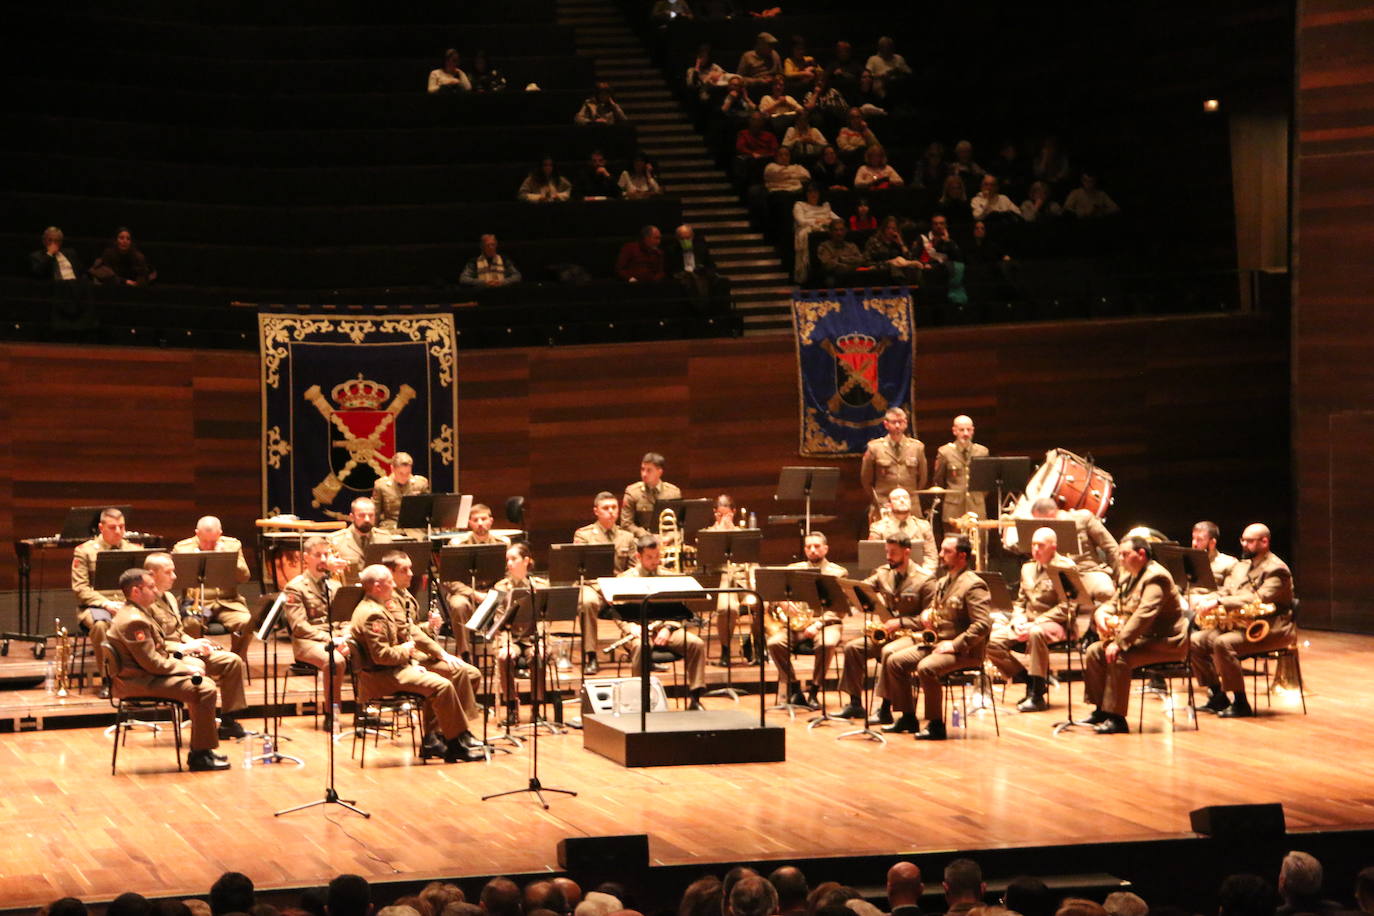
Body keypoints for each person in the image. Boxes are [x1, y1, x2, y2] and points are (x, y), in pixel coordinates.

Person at [351, 563, 485, 761]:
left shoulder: (377, 607)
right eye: (389, 583)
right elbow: (381, 656)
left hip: (394, 669)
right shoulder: (373, 614)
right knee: (442, 685)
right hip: (381, 676)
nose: (393, 586)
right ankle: (456, 742)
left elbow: (399, 638)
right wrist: (406, 653)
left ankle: (450, 737)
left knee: (446, 680)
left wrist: (411, 660)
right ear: (378, 586)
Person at [106, 568, 232, 771]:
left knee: (202, 680)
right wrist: (185, 669)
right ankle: (200, 755)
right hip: (139, 682)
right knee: (204, 688)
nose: (156, 591)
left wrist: (186, 663)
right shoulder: (133, 621)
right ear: (136, 591)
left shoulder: (137, 613)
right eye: (151, 586)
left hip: (145, 676)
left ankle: (203, 751)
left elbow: (156, 655)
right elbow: (152, 663)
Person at [880, 536, 991, 740]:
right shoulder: (942, 582)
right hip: (937, 643)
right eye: (941, 550)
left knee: (926, 667)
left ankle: (936, 724)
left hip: (965, 650)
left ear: (962, 556)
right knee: (895, 661)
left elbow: (982, 625)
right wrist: (927, 615)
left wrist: (955, 645)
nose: (940, 555)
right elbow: (937, 610)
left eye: (946, 551)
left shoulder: (974, 585)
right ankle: (908, 716)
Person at [1081, 536, 1187, 734]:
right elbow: (1115, 602)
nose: (1120, 559)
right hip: (1144, 639)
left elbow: (1144, 615)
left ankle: (1117, 718)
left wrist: (1120, 642)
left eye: (1125, 554)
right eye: (1119, 554)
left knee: (1118, 657)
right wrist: (1101, 612)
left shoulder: (1157, 578)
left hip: (1165, 643)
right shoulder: (1129, 574)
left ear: (1141, 554)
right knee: (1095, 651)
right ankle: (1101, 709)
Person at [1189, 523, 1296, 717]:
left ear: (1265, 541)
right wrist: (1205, 599)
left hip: (1271, 628)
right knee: (1195, 641)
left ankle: (1240, 702)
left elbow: (1258, 598)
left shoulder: (1277, 569)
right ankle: (1217, 696)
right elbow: (1228, 590)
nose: (1245, 545)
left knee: (1222, 643)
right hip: (1241, 624)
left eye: (1250, 541)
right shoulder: (1242, 565)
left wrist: (1219, 602)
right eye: (1243, 540)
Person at [141, 552, 249, 738]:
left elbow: (179, 631)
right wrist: (184, 648)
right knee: (199, 671)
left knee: (232, 661)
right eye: (168, 572)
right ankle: (202, 731)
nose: (174, 576)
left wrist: (196, 642)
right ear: (151, 574)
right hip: (169, 657)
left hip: (185, 651)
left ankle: (229, 720)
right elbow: (153, 644)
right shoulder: (145, 604)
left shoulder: (170, 598)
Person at [379, 549, 485, 738]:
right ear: (390, 572)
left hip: (417, 654)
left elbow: (412, 627)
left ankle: (443, 730)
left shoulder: (404, 594)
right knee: (460, 672)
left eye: (411, 569)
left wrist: (428, 626)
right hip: (406, 660)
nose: (411, 574)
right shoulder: (390, 599)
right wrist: (441, 653)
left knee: (474, 674)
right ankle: (456, 732)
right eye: (405, 570)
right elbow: (407, 632)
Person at [835, 533, 934, 723]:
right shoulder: (883, 573)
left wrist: (901, 622)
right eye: (887, 552)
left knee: (888, 653)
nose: (888, 556)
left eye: (893, 553)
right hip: (889, 632)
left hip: (913, 635)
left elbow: (930, 619)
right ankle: (855, 703)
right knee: (853, 648)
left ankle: (885, 708)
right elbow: (861, 588)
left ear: (907, 552)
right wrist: (841, 582)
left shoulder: (925, 580)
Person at [985, 527, 1076, 711]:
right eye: (1033, 544)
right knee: (991, 641)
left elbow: (1068, 606)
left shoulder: (1065, 567)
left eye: (1040, 545)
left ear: (1053, 547)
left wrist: (1035, 623)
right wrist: (1017, 620)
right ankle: (1031, 681)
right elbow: (1020, 602)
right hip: (1027, 622)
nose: (1035, 549)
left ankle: (1037, 696)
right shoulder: (1027, 568)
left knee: (1035, 633)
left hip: (1057, 624)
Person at [614, 536, 708, 710]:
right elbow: (617, 614)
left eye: (657, 556)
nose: (655, 561)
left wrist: (668, 628)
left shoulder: (669, 577)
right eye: (649, 557)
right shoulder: (625, 579)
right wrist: (631, 627)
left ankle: (695, 697)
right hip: (637, 630)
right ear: (638, 557)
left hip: (666, 629)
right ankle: (640, 699)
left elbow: (679, 610)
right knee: (641, 647)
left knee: (696, 644)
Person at [767, 531, 848, 710]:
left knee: (827, 644)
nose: (812, 550)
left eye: (817, 546)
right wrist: (782, 601)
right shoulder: (793, 569)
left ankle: (814, 690)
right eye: (809, 547)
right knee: (774, 643)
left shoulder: (838, 573)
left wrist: (818, 624)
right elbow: (774, 594)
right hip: (797, 625)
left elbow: (840, 610)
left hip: (826, 623)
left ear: (826, 549)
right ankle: (795, 688)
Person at [71, 506, 140, 697]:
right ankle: (108, 680)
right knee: (101, 625)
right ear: (101, 528)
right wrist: (106, 604)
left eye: (121, 526)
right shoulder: (84, 551)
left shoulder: (134, 550)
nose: (118, 531)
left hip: (127, 605)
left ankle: (141, 678)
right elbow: (80, 589)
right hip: (95, 607)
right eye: (113, 527)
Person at [281, 536, 351, 722]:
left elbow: (345, 618)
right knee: (334, 660)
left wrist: (346, 636)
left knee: (366, 650)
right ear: (306, 558)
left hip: (336, 637)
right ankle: (332, 714)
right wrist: (329, 640)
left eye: (325, 554)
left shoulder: (334, 585)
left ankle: (364, 712)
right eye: (317, 555)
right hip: (308, 642)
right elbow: (299, 627)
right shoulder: (295, 587)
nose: (322, 559)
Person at [171, 515, 254, 661]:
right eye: (205, 541)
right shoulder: (183, 548)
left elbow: (244, 577)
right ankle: (198, 662)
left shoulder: (232, 546)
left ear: (220, 534)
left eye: (213, 541)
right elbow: (175, 581)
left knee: (246, 622)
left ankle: (234, 661)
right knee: (191, 623)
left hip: (228, 601)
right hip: (196, 602)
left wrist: (227, 558)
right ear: (197, 533)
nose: (209, 545)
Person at [574, 491, 639, 673]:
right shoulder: (584, 535)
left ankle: (640, 650)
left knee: (644, 597)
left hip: (619, 587)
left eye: (614, 507)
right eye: (606, 508)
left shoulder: (627, 537)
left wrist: (616, 587)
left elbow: (634, 570)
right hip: (593, 587)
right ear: (596, 511)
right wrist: (605, 589)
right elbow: (582, 572)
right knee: (586, 602)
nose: (611, 511)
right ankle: (591, 656)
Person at [443, 502, 510, 659]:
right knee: (458, 605)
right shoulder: (457, 544)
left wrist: (494, 594)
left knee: (511, 600)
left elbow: (507, 574)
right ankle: (464, 653)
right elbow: (449, 579)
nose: (480, 523)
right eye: (475, 520)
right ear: (469, 523)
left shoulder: (503, 543)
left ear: (491, 521)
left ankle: (505, 651)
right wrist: (474, 594)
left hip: (493, 593)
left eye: (483, 519)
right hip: (466, 593)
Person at [1027, 497, 1119, 607]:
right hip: (1056, 574)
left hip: (1087, 571)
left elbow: (1111, 547)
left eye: (1040, 519)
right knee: (1034, 593)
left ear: (1052, 513)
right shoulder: (1044, 529)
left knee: (1105, 590)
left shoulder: (1083, 518)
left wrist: (1120, 579)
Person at [699, 494, 757, 666]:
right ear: (714, 513)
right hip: (720, 579)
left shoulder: (743, 534)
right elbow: (705, 562)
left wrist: (753, 579)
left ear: (734, 512)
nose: (723, 518)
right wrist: (720, 533)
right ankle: (725, 651)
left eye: (727, 515)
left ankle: (754, 644)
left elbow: (752, 561)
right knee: (727, 609)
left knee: (763, 604)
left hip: (741, 578)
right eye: (719, 515)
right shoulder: (707, 534)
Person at [860, 406, 927, 523]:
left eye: (900, 422)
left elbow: (922, 477)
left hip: (910, 503)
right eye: (894, 422)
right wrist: (878, 498)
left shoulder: (917, 447)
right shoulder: (875, 447)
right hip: (884, 503)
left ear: (906, 424)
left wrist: (909, 495)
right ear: (886, 424)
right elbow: (866, 479)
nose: (897, 426)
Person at [932, 415, 989, 534]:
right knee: (953, 545)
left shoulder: (982, 451)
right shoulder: (945, 452)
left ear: (973, 430)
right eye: (962, 430)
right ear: (954, 431)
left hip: (976, 506)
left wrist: (978, 496)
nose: (966, 433)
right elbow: (938, 480)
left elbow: (985, 481)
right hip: (953, 507)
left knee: (979, 546)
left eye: (969, 430)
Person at [328, 496, 393, 585]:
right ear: (351, 517)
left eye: (371, 515)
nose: (367, 519)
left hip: (378, 591)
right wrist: (329, 566)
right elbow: (328, 574)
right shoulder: (336, 540)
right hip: (350, 592)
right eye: (362, 515)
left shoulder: (385, 539)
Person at [664, 223, 726, 301]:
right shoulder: (672, 251)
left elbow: (711, 266)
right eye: (682, 239)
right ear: (677, 238)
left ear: (692, 236)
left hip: (700, 276)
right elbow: (670, 270)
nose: (685, 241)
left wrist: (703, 270)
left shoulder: (701, 248)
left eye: (687, 238)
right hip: (682, 279)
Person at [792, 183, 839, 282]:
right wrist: (818, 221)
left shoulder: (825, 206)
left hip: (825, 231)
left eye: (815, 191)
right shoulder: (799, 205)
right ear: (806, 193)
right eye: (810, 192)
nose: (813, 194)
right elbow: (801, 221)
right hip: (808, 232)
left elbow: (837, 220)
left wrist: (822, 221)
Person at [863, 216, 923, 283]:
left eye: (894, 229)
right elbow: (866, 262)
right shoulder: (874, 241)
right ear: (883, 229)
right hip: (880, 272)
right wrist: (888, 262)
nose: (891, 231)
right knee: (894, 266)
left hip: (900, 270)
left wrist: (901, 244)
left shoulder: (898, 242)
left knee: (915, 267)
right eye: (888, 228)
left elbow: (910, 258)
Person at [89, 227, 155, 286]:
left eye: (128, 239)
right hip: (113, 287)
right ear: (116, 240)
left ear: (131, 242)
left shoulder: (138, 257)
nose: (125, 241)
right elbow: (104, 274)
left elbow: (144, 275)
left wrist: (139, 282)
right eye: (121, 238)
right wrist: (124, 281)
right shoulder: (108, 254)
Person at [816, 219, 867, 286]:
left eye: (841, 230)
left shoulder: (851, 246)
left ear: (845, 231)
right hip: (834, 277)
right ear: (830, 232)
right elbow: (828, 265)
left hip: (852, 276)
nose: (839, 233)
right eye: (836, 230)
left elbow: (860, 260)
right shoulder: (824, 247)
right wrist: (849, 264)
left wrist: (841, 259)